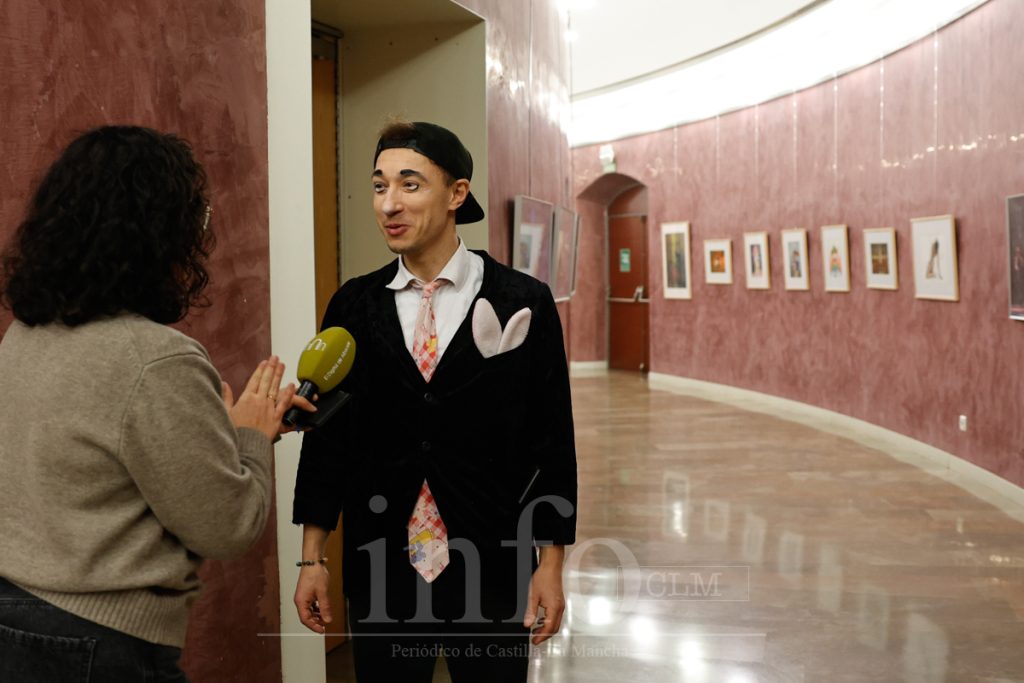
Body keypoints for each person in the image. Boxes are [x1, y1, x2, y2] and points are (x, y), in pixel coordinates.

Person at [0, 126, 310, 682]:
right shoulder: (156, 360)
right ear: (162, 233)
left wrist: (216, 432)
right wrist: (249, 437)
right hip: (100, 644)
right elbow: (228, 526)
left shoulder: (26, 333)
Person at [292, 120, 577, 683]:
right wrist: (311, 557)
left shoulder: (523, 299)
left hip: (493, 558)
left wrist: (551, 563)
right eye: (379, 186)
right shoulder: (354, 305)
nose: (389, 204)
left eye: (410, 184)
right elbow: (329, 442)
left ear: (456, 194)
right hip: (382, 561)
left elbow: (551, 439)